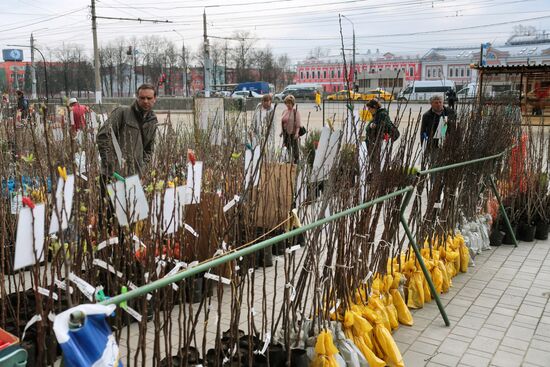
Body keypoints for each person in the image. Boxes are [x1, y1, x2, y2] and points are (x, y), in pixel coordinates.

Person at [365, 99, 394, 174]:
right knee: (376, 161)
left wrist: (375, 126)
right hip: (375, 142)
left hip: (379, 143)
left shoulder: (381, 115)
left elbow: (386, 127)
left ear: (374, 107)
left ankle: (377, 174)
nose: (368, 110)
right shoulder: (376, 115)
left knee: (378, 160)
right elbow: (367, 128)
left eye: (369, 108)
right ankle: (376, 173)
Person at [280, 94, 301, 164]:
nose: (288, 104)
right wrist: (281, 131)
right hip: (285, 133)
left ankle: (296, 161)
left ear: (293, 103)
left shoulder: (295, 112)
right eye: (287, 103)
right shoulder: (284, 111)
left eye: (290, 103)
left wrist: (297, 133)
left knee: (295, 147)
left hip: (293, 132)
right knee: (287, 147)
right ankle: (289, 159)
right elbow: (282, 122)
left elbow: (298, 124)